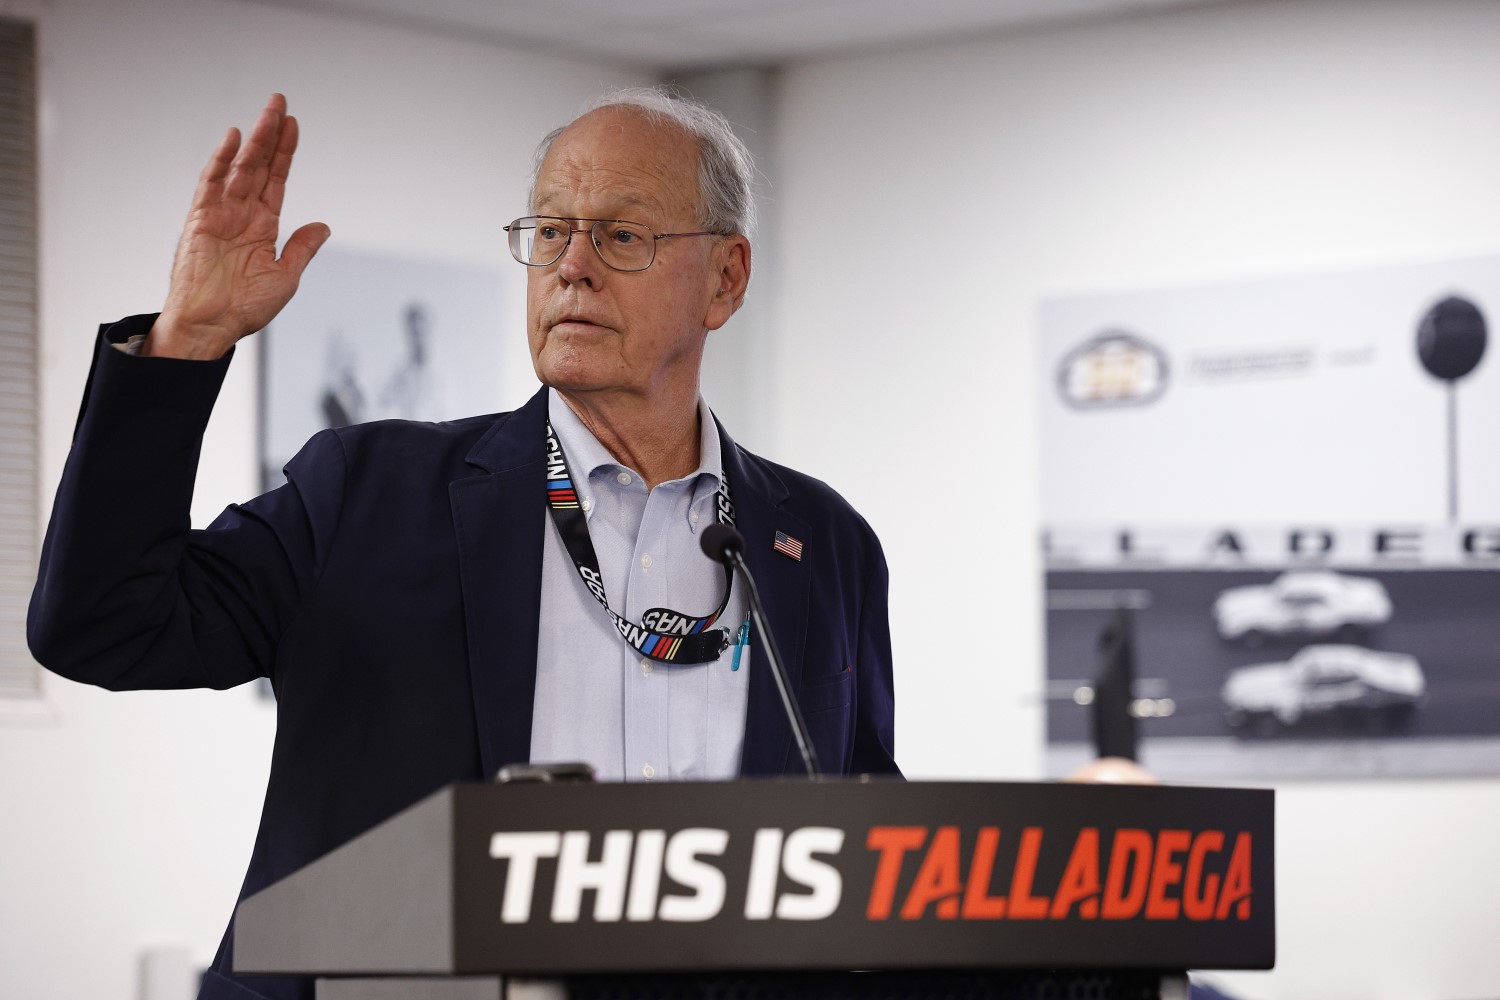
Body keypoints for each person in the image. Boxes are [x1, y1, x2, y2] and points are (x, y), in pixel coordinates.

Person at [28, 90, 897, 1000]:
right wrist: (187, 343)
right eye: (552, 232)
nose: (573, 268)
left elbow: (861, 828)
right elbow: (101, 624)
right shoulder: (369, 494)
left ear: (726, 278)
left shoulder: (822, 544)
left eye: (622, 236)